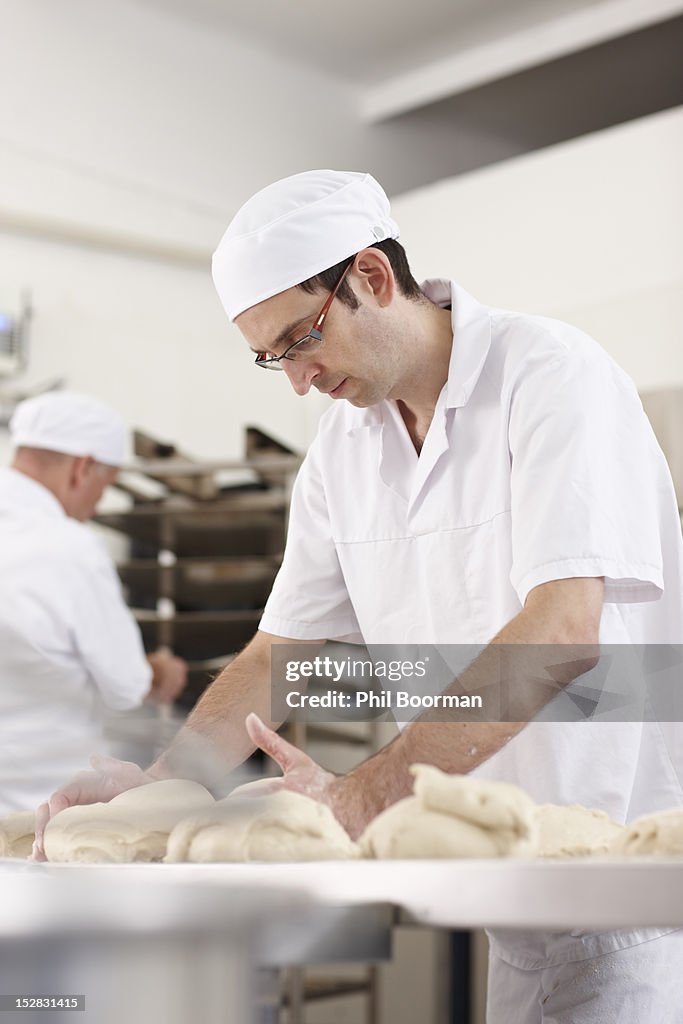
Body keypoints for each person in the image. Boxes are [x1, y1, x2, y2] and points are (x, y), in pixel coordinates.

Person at [35, 173, 683, 1021]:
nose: (297, 382)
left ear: (372, 278)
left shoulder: (549, 376)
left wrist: (365, 794)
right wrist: (158, 786)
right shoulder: (343, 452)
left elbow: (562, 630)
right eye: (272, 358)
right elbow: (280, 656)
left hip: (630, 910)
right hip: (512, 908)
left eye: (300, 341)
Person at [0, 391, 187, 814]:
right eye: (102, 489)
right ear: (82, 468)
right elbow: (125, 687)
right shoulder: (69, 547)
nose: (94, 507)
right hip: (40, 811)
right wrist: (156, 672)